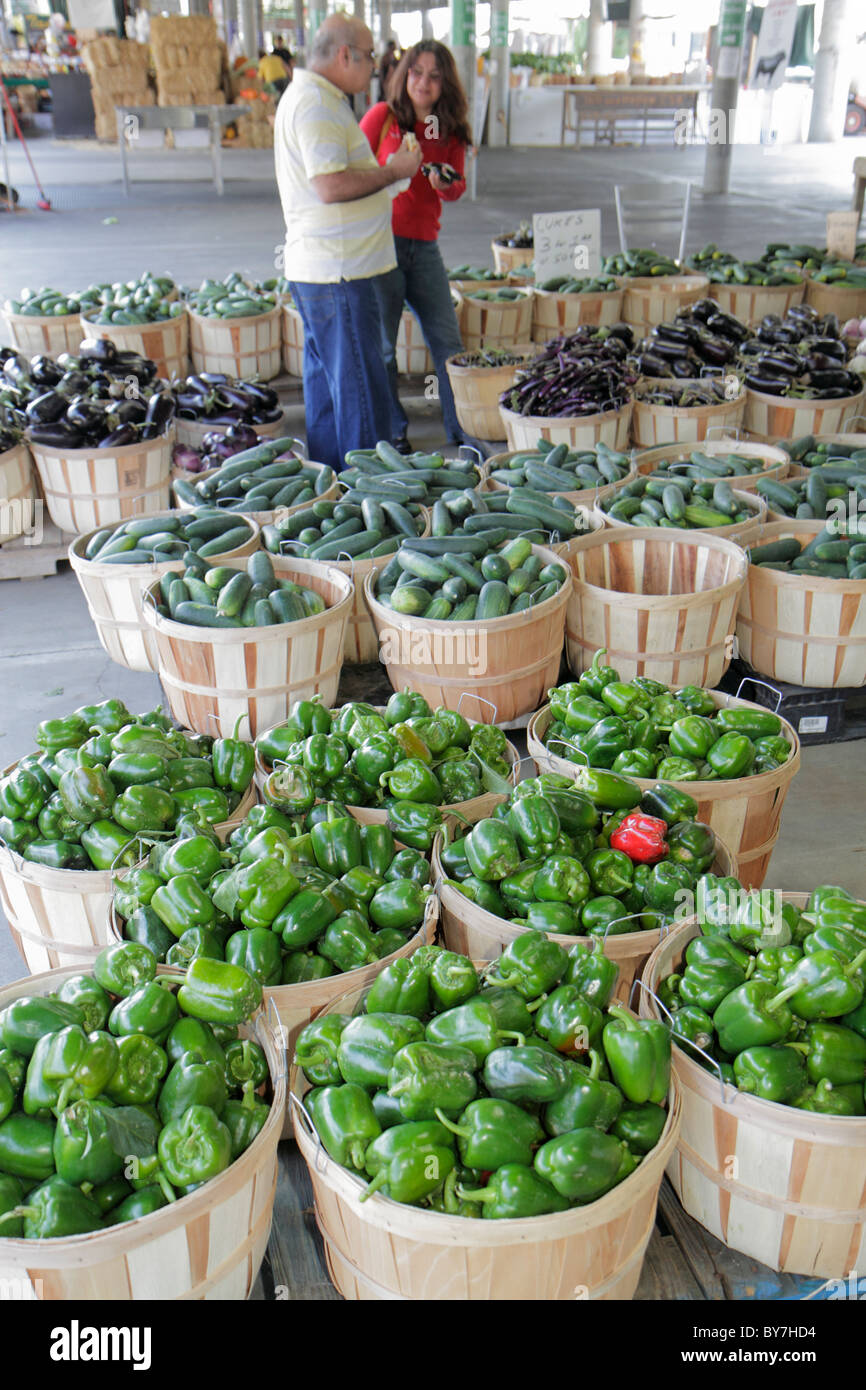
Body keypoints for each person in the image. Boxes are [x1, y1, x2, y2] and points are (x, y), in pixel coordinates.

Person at [274, 14, 422, 471]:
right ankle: (363, 506)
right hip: (339, 275)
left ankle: (329, 488)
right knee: (359, 394)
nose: (375, 66)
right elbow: (330, 186)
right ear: (345, 55)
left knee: (328, 392)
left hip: (323, 272)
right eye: (371, 56)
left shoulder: (315, 97)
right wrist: (395, 171)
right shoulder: (315, 104)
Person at [360, 40, 470, 450]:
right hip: (381, 246)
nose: (424, 82)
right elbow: (351, 165)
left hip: (425, 248)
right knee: (384, 347)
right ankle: (392, 429)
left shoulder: (448, 130)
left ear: (445, 84)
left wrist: (447, 185)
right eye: (417, 72)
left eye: (435, 76)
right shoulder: (383, 117)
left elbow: (456, 186)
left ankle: (461, 427)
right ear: (404, 74)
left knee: (448, 344)